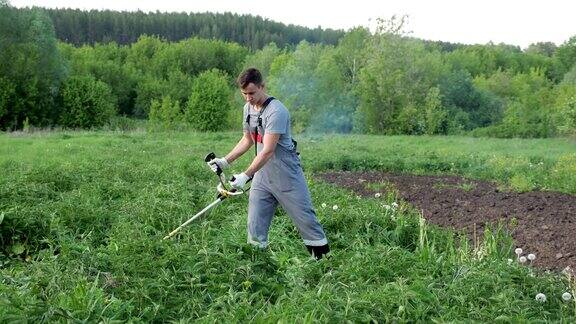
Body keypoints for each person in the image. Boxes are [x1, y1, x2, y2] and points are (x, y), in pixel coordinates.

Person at [208, 67, 330, 259]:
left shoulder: (276, 111)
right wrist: (225, 161)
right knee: (255, 224)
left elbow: (268, 150)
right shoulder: (248, 108)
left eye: (252, 93)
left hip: (286, 175)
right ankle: (259, 268)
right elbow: (247, 140)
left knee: (306, 220)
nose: (248, 98)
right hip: (263, 176)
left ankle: (324, 264)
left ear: (262, 86)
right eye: (244, 94)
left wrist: (245, 175)